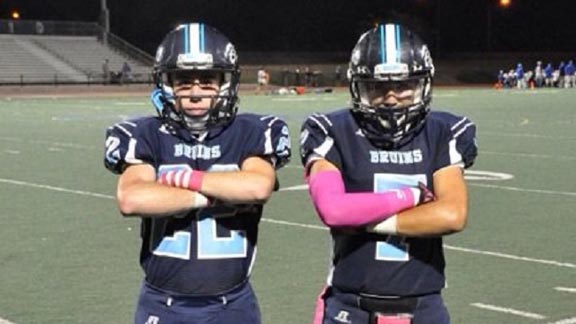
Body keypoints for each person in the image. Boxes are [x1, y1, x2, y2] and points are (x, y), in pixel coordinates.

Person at [103, 22, 291, 324]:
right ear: (166, 84)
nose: (194, 92)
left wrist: (189, 181)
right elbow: (132, 198)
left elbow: (257, 187)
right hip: (162, 302)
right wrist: (216, 197)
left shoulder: (251, 131)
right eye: (183, 81)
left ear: (225, 83)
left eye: (207, 81)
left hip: (233, 302)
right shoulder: (146, 133)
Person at [300, 23, 477, 324]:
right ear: (359, 86)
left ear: (424, 84)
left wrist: (362, 220)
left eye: (404, 85)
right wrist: (414, 197)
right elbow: (333, 210)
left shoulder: (443, 131)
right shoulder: (332, 131)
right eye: (378, 87)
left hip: (423, 307)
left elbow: (451, 214)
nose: (392, 98)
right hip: (350, 306)